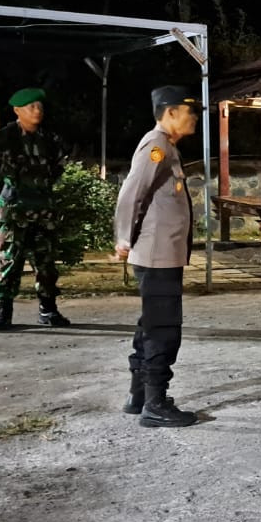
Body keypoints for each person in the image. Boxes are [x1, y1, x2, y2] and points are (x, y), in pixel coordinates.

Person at [113, 85, 202, 429]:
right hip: (156, 254)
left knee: (150, 323)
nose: (193, 116)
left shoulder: (167, 147)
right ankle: (155, 403)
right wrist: (124, 238)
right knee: (163, 327)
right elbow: (130, 194)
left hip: (162, 252)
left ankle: (139, 396)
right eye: (188, 110)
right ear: (169, 113)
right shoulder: (156, 145)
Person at [0, 87, 70, 332]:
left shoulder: (50, 140)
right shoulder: (3, 139)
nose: (37, 111)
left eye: (40, 106)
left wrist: (43, 190)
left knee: (47, 261)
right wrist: (4, 195)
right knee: (10, 260)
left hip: (44, 210)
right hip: (14, 211)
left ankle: (48, 309)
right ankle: (4, 313)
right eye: (31, 107)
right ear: (17, 110)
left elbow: (59, 167)